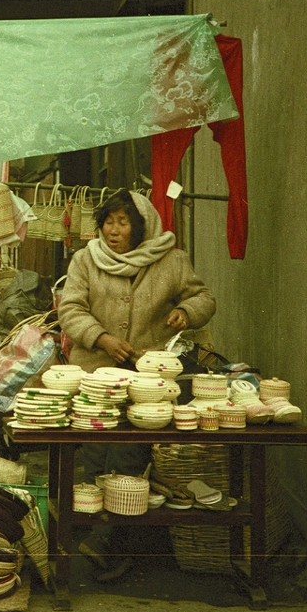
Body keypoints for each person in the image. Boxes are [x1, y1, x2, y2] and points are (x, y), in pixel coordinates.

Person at [57, 189, 216, 579]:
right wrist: (101, 337)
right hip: (96, 375)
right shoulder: (85, 260)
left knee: (129, 455)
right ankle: (90, 535)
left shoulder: (171, 260)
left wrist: (185, 311)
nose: (113, 230)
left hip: (150, 377)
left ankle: (114, 542)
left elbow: (204, 298)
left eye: (122, 222)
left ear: (141, 227)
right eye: (108, 221)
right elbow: (70, 309)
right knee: (94, 454)